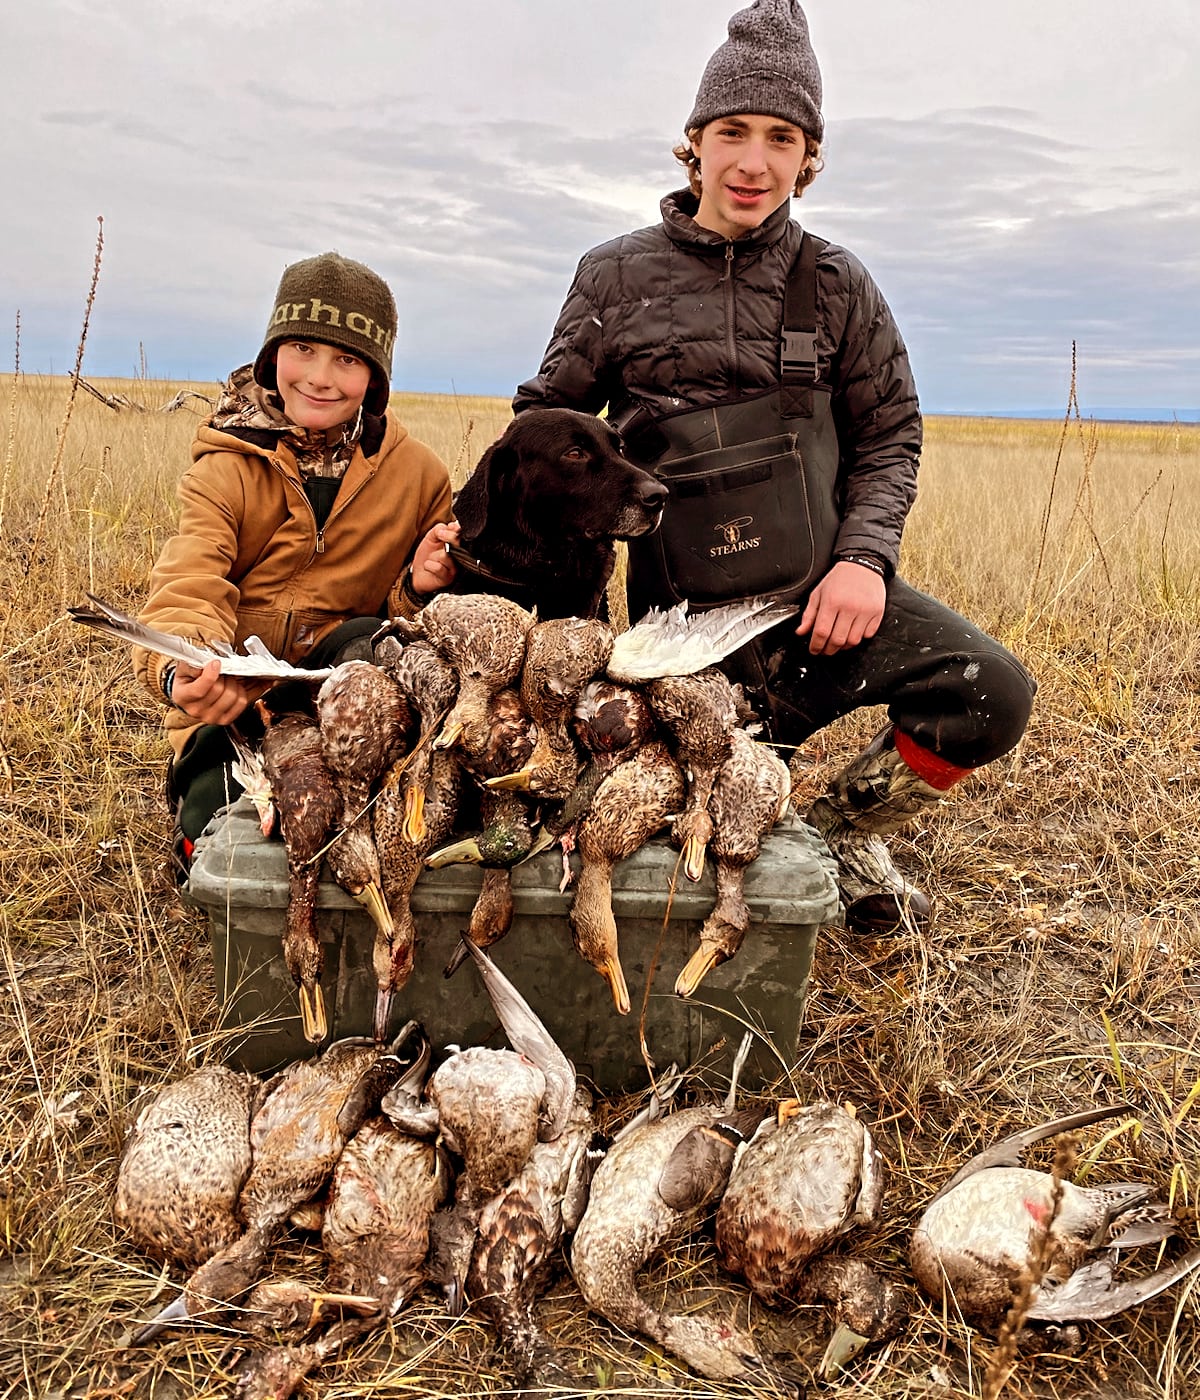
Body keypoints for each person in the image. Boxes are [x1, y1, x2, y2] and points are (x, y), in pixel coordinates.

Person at [514, 0, 1036, 932]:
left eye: (782, 137)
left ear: (809, 157)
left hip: (818, 604)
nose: (753, 161)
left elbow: (890, 435)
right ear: (694, 143)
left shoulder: (837, 284)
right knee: (660, 808)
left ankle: (834, 832)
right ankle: (752, 812)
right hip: (679, 627)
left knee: (990, 692)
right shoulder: (613, 276)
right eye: (733, 132)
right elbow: (543, 431)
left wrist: (865, 561)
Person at [134, 251, 460, 875]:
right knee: (228, 837)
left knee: (369, 641)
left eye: (347, 358)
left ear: (375, 377)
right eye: (303, 349)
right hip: (241, 705)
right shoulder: (225, 467)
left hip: (350, 701)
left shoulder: (419, 477)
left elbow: (423, 628)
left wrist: (416, 588)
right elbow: (189, 581)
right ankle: (203, 821)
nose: (320, 376)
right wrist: (188, 670)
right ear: (273, 354)